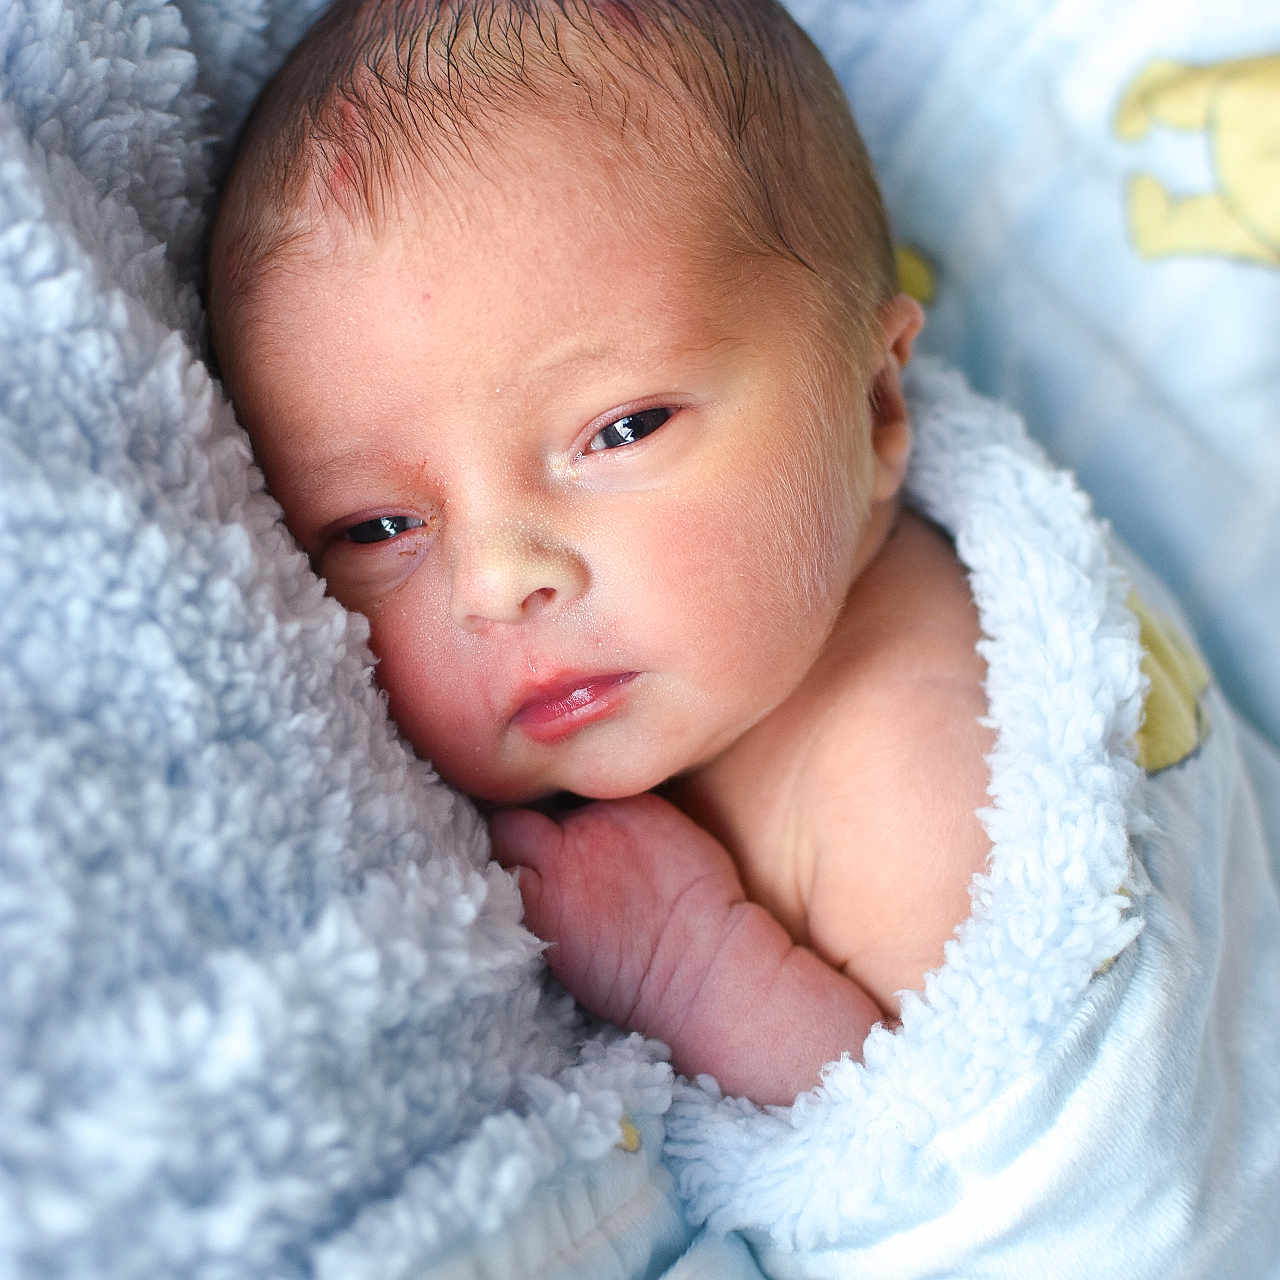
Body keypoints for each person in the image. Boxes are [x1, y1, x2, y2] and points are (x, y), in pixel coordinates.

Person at [206, 0, 995, 1106]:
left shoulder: (923, 770)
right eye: (379, 528)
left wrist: (695, 967)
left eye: (620, 430)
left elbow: (985, 1166)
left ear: (870, 407)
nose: (497, 579)